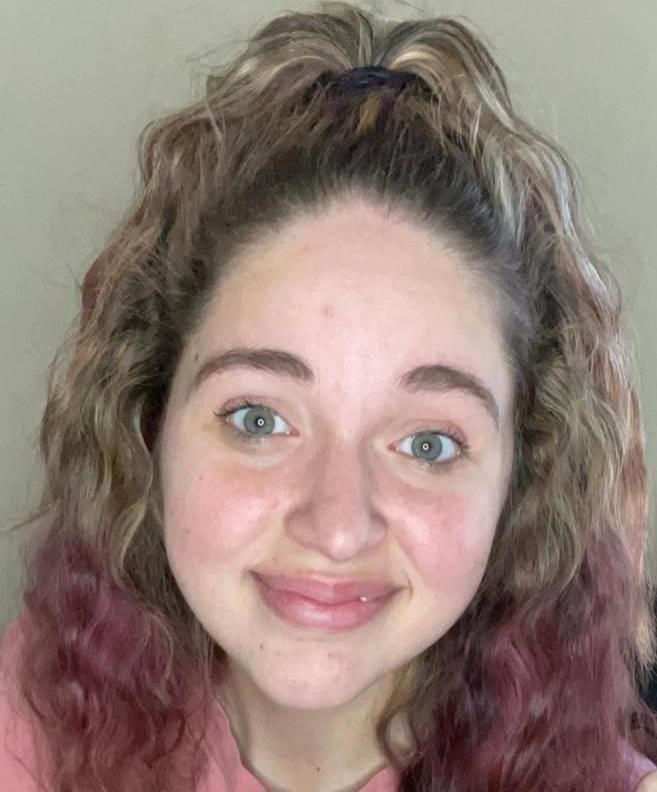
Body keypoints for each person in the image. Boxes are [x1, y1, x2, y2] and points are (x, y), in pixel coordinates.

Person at [1, 1, 657, 790]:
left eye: (427, 444)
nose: (337, 529)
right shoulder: (38, 713)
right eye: (258, 419)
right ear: (150, 425)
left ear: (521, 481)